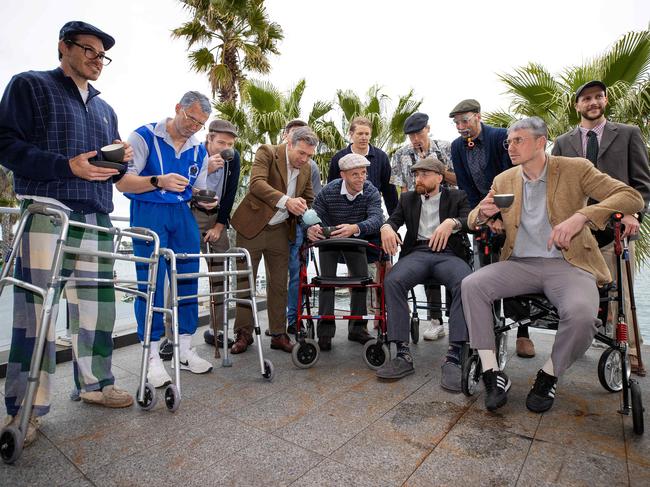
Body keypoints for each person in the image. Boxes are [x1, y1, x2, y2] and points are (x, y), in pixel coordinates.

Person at [0, 20, 134, 447]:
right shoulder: (30, 86)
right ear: (65, 47)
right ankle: (24, 408)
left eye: (103, 55)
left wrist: (122, 162)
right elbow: (6, 145)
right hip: (47, 212)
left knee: (98, 308)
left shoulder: (105, 109)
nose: (98, 60)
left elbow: (112, 171)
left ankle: (95, 385)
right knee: (35, 312)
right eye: (90, 51)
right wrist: (66, 166)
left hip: (95, 216)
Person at [461, 116, 644, 413]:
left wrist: (582, 216)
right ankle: (492, 372)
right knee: (472, 285)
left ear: (541, 142)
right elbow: (473, 219)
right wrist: (482, 214)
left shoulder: (575, 169)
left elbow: (631, 196)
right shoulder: (504, 180)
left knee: (583, 315)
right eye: (509, 141)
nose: (510, 146)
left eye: (518, 140)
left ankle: (549, 374)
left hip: (569, 264)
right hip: (519, 262)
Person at [116, 91, 215, 388]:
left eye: (200, 124)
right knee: (151, 283)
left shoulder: (199, 150)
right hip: (149, 211)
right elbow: (122, 182)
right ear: (178, 109)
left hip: (182, 215)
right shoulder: (144, 136)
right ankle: (152, 357)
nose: (194, 127)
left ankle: (185, 347)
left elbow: (197, 188)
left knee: (188, 278)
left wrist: (204, 199)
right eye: (191, 118)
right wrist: (158, 181)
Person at [552, 80, 650, 373]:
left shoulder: (628, 134)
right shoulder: (562, 143)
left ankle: (631, 351)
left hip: (615, 228)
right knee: (573, 293)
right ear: (577, 105)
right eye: (586, 99)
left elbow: (642, 184)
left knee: (622, 292)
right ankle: (575, 343)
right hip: (576, 233)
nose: (592, 102)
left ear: (605, 101)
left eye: (598, 97)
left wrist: (635, 213)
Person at [376, 157, 472, 391]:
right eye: (416, 174)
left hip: (449, 254)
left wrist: (453, 223)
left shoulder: (457, 196)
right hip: (417, 253)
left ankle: (455, 355)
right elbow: (393, 220)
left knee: (466, 283)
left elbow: (471, 221)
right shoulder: (407, 198)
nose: (419, 179)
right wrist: (386, 227)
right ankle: (402, 353)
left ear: (440, 177)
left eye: (425, 174)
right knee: (394, 280)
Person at [448, 99, 534, 358]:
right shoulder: (457, 147)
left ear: (478, 116)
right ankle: (490, 329)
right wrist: (485, 217)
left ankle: (523, 332)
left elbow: (515, 177)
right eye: (457, 123)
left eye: (466, 120)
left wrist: (503, 217)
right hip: (484, 216)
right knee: (486, 275)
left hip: (514, 211)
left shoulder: (499, 137)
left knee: (517, 273)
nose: (462, 126)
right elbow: (465, 184)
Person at [229, 126, 316, 354]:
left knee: (279, 284)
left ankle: (278, 334)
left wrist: (308, 212)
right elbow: (256, 184)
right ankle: (243, 333)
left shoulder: (305, 168)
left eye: (309, 155)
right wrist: (287, 201)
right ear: (289, 143)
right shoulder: (267, 152)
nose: (304, 159)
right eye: (301, 153)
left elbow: (308, 197)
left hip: (280, 229)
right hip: (252, 227)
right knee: (244, 282)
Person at [306, 153, 384, 350]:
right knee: (326, 282)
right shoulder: (329, 191)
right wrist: (314, 227)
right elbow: (315, 214)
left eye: (363, 173)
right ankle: (324, 332)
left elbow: (377, 219)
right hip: (330, 240)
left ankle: (357, 328)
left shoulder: (371, 191)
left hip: (356, 238)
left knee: (361, 280)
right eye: (355, 174)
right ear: (343, 175)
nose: (361, 178)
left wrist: (355, 228)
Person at [390, 112, 455, 340]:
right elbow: (402, 190)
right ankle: (435, 320)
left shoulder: (447, 148)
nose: (415, 139)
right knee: (425, 260)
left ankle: (455, 320)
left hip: (448, 215)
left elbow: (460, 180)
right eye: (411, 135)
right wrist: (401, 220)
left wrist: (436, 171)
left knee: (451, 265)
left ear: (428, 128)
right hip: (419, 217)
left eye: (419, 133)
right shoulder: (400, 155)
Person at [185, 119, 243, 351]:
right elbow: (181, 185)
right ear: (208, 138)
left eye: (229, 143)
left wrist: (220, 225)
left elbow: (230, 192)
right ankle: (173, 335)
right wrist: (205, 168)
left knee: (220, 276)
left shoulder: (233, 158)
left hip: (217, 217)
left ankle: (216, 330)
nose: (225, 147)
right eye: (220, 142)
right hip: (191, 214)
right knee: (183, 274)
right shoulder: (193, 152)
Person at [283, 120, 322, 335]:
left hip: (297, 227)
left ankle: (293, 319)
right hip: (271, 228)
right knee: (276, 276)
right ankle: (276, 322)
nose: (304, 157)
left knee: (297, 274)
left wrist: (310, 228)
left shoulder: (310, 166)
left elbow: (312, 202)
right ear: (288, 139)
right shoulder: (271, 156)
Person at [328, 116, 398, 216]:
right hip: (344, 215)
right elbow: (331, 189)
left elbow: (389, 191)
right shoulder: (338, 158)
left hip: (372, 212)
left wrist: (394, 221)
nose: (364, 137)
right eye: (360, 134)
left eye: (367, 134)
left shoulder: (382, 157)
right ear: (351, 134)